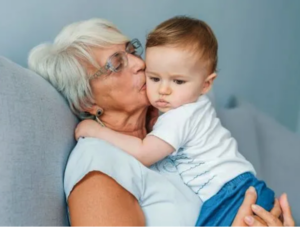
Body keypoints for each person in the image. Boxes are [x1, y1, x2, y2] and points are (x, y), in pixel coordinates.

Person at [28, 18, 295, 226]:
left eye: (132, 50)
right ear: (87, 102)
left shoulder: (171, 129)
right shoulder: (98, 163)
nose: (138, 63)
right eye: (116, 63)